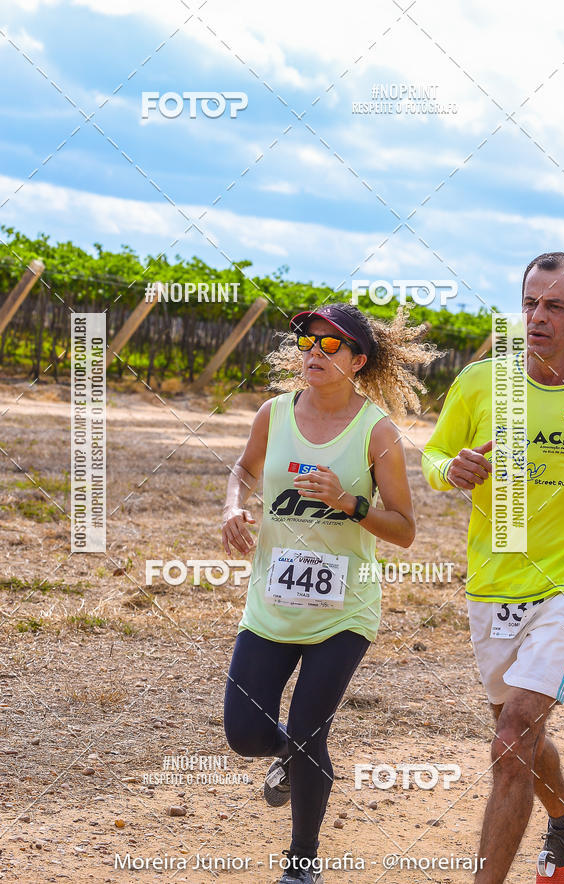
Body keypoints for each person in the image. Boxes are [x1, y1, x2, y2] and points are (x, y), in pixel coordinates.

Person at [222, 302, 435, 883]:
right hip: (271, 602)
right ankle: (295, 757)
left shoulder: (377, 432)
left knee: (311, 727)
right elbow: (242, 471)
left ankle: (302, 862)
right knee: (243, 732)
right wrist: (233, 508)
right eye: (307, 341)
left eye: (329, 345)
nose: (313, 352)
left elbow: (406, 529)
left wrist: (349, 502)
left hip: (344, 610)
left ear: (357, 360)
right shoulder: (273, 413)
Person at [422, 252, 564, 884]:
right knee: (515, 733)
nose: (536, 318)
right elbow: (436, 456)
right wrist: (454, 469)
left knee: (514, 732)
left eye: (553, 306)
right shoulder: (480, 384)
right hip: (493, 582)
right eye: (529, 303)